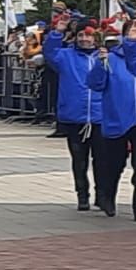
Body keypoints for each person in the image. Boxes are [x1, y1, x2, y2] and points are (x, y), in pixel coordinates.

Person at [87, 27, 136, 220]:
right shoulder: (111, 59)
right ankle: (108, 196)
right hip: (117, 118)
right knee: (115, 163)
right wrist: (100, 65)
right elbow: (95, 84)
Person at [42, 13, 106, 212]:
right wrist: (57, 31)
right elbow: (49, 52)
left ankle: (102, 195)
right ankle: (82, 194)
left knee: (102, 160)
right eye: (81, 36)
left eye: (89, 36)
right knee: (79, 159)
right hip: (74, 116)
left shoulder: (104, 57)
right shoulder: (65, 56)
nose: (85, 39)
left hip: (100, 116)